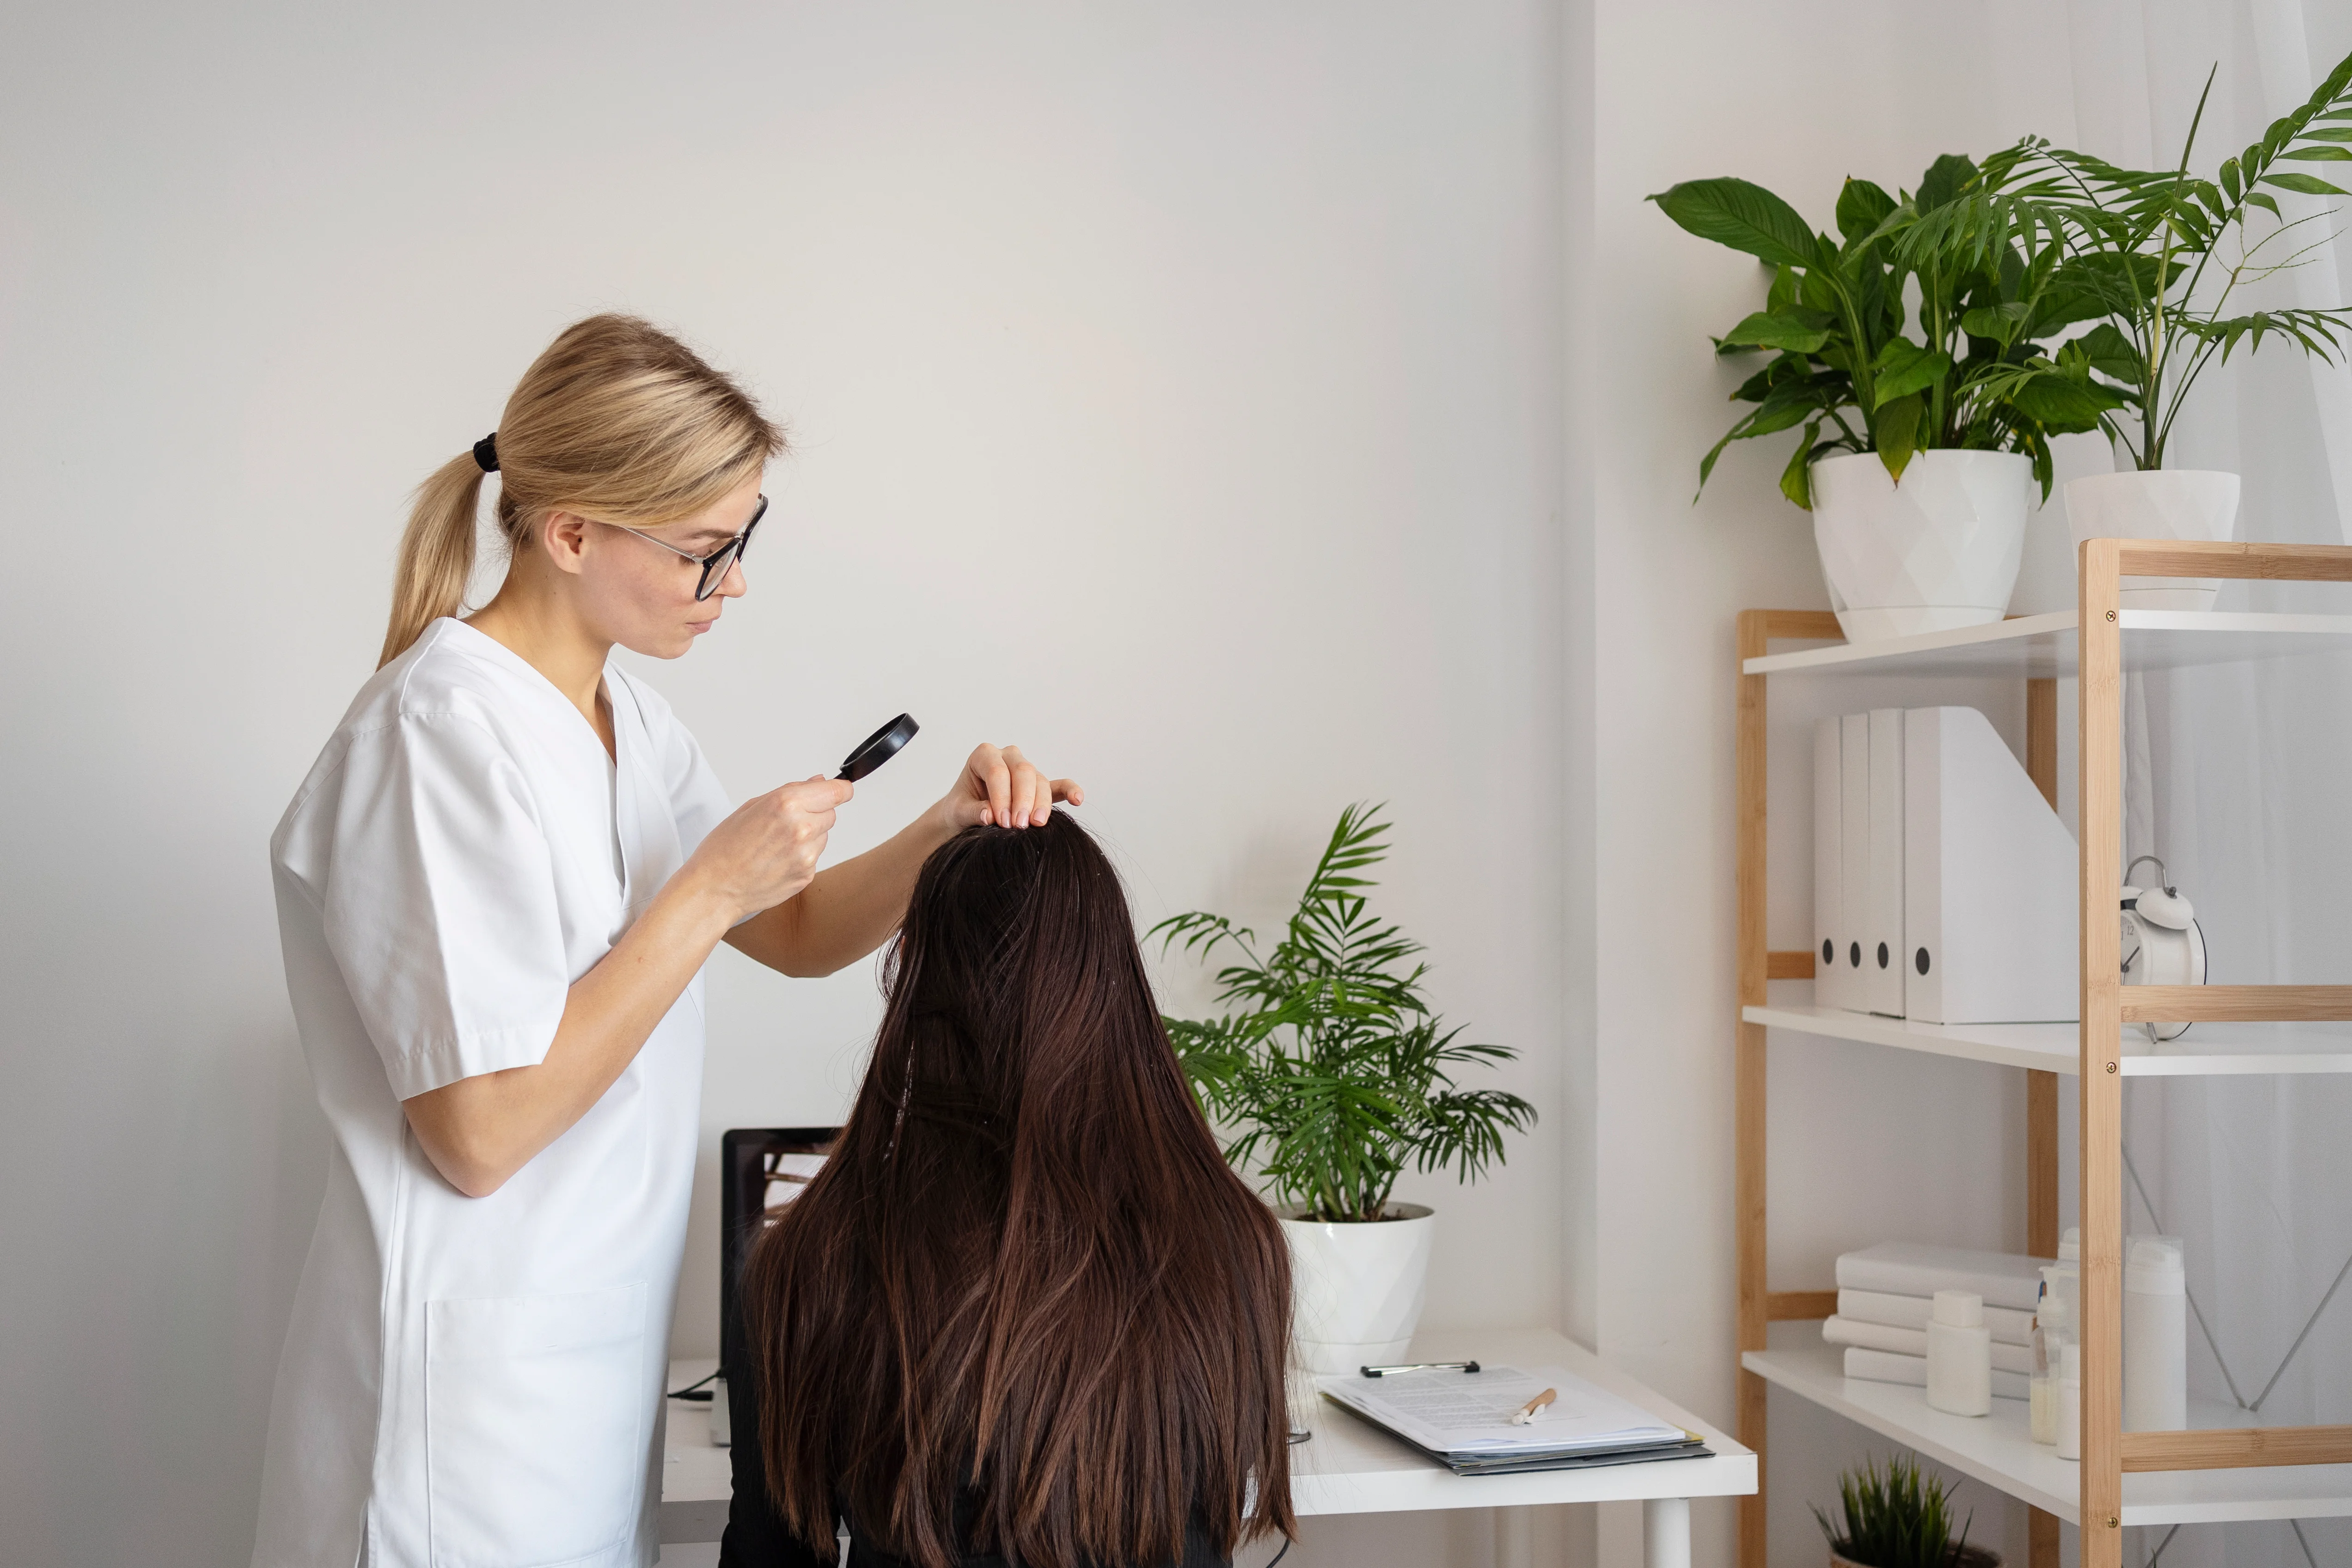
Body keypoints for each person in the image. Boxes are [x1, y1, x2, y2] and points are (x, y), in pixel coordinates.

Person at [251, 314, 1081, 1568]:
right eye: (707, 550)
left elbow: (793, 930)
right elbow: (480, 1133)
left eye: (743, 543)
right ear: (573, 532)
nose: (733, 581)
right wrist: (703, 889)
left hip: (578, 1387)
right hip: (458, 1420)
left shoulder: (624, 719)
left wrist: (941, 832)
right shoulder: (436, 737)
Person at [724, 811, 1295, 1568]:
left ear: (912, 974)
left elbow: (771, 1556)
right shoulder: (1235, 1244)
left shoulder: (812, 1259)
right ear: (1113, 975)